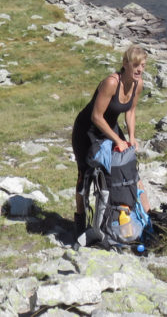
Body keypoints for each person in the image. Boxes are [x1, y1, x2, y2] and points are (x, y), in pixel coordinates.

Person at [71, 44, 151, 235]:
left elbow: (130, 111)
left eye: (143, 65)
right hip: (87, 131)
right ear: (125, 64)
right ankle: (80, 223)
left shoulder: (137, 84)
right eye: (136, 65)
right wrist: (117, 140)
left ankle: (148, 220)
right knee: (85, 175)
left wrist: (131, 137)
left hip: (111, 128)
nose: (140, 69)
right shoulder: (111, 83)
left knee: (131, 171)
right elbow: (96, 117)